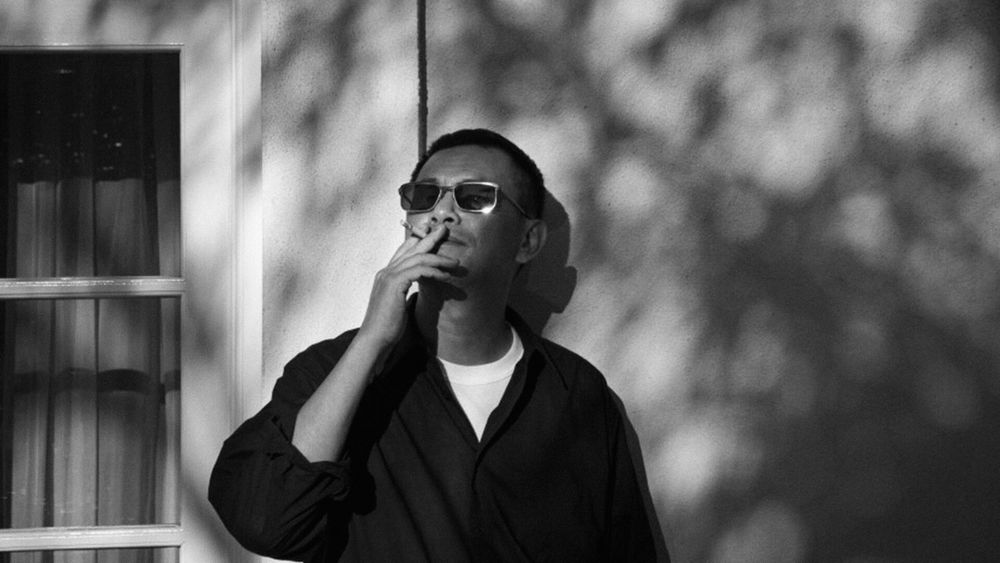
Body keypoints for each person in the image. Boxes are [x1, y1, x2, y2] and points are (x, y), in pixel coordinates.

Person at [208, 128, 661, 561]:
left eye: (476, 197)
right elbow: (265, 521)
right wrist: (372, 342)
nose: (442, 213)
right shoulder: (332, 370)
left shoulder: (576, 395)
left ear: (527, 241)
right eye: (425, 196)